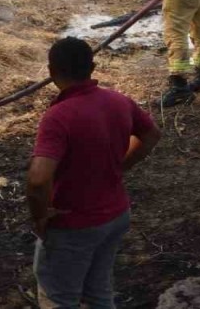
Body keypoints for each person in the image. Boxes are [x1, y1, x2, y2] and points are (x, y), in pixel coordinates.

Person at [27, 37, 162, 309]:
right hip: (116, 216)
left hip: (75, 225)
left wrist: (40, 215)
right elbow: (151, 135)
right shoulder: (118, 101)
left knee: (59, 298)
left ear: (52, 72)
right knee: (98, 292)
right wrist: (121, 165)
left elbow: (38, 179)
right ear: (93, 67)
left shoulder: (58, 116)